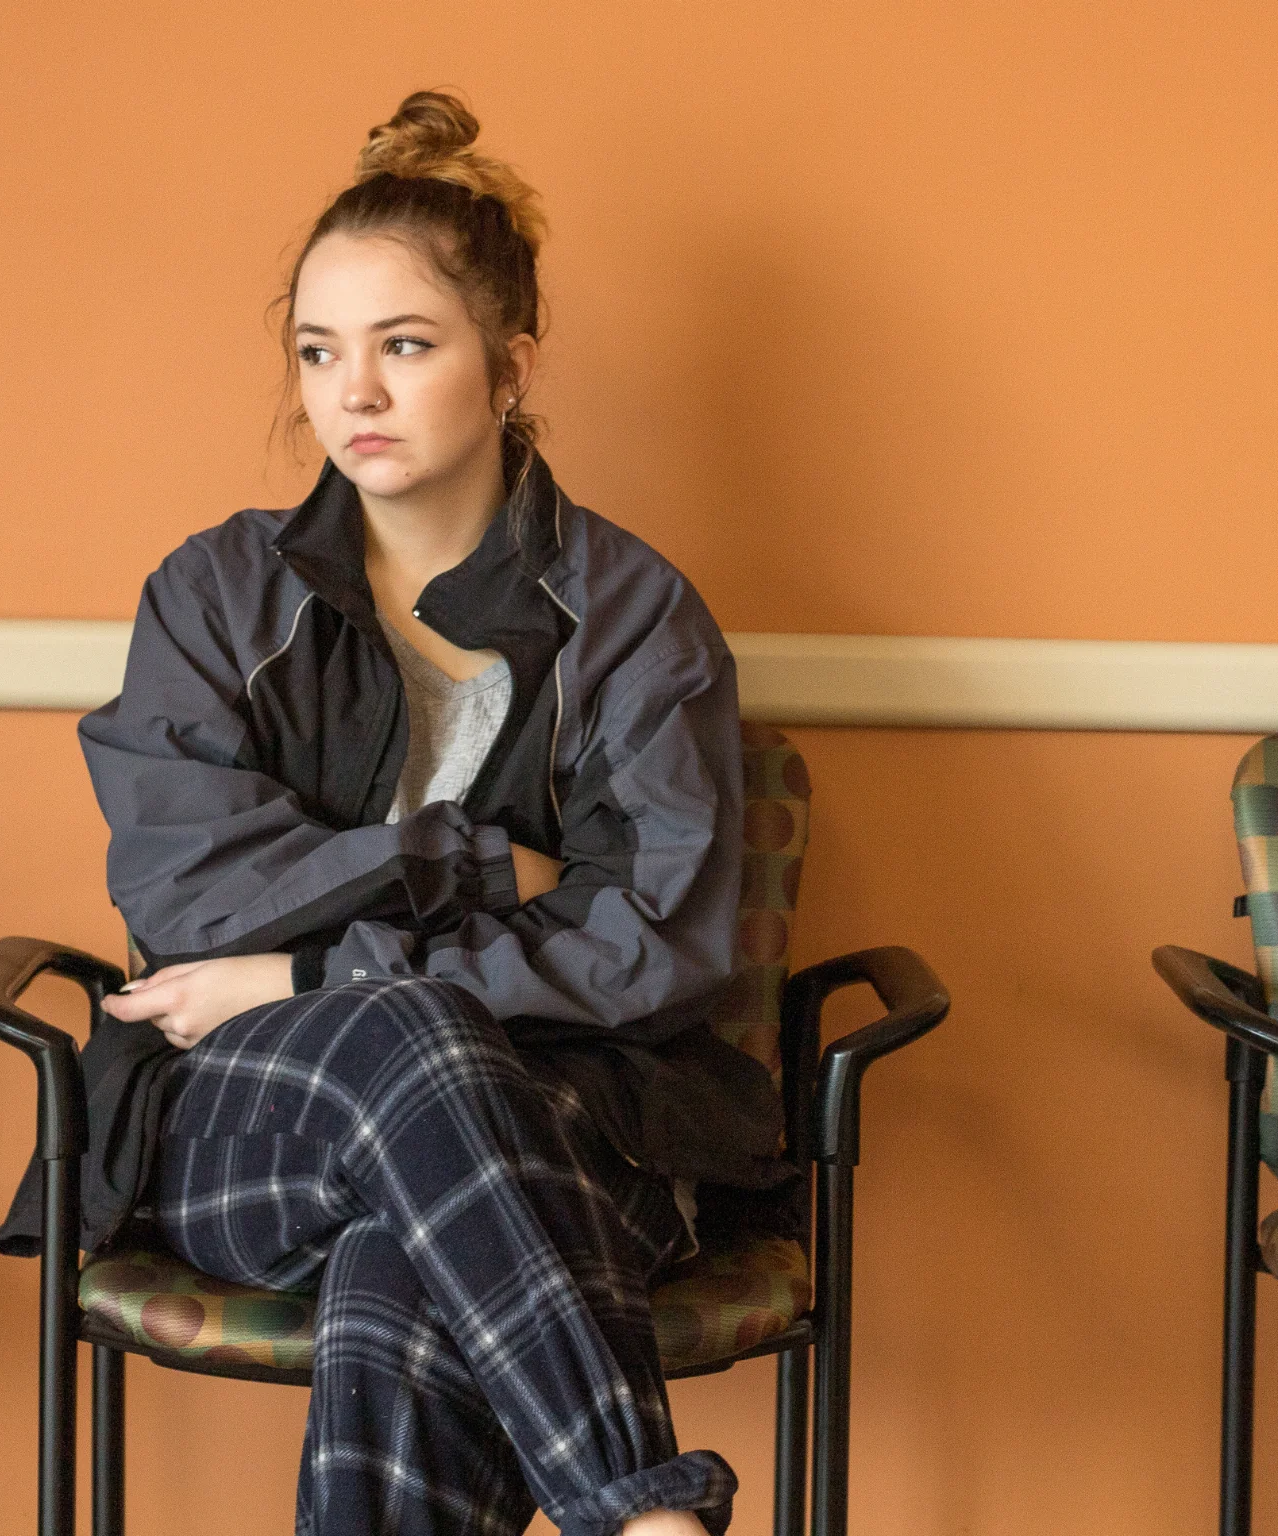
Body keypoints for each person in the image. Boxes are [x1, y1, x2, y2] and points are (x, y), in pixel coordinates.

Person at [85, 90, 781, 1536]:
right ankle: (644, 1513)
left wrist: (316, 966)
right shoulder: (216, 596)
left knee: (400, 1268)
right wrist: (456, 857)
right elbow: (185, 898)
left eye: (406, 347)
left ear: (511, 367)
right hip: (253, 1128)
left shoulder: (635, 614)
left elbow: (657, 939)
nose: (356, 395)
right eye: (321, 352)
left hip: (581, 1127)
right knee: (415, 1034)